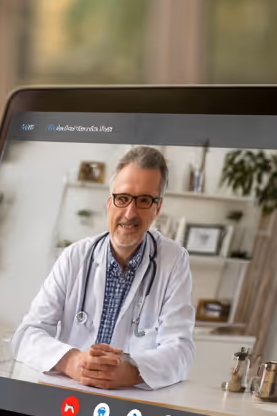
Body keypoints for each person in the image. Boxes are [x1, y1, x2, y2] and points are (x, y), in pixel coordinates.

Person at [11, 146, 195, 390]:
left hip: (130, 404)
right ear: (110, 203)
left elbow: (181, 350)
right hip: (67, 394)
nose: (130, 213)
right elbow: (25, 335)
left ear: (157, 208)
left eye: (143, 201)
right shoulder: (74, 256)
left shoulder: (174, 261)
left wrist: (133, 371)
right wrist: (72, 362)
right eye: (123, 198)